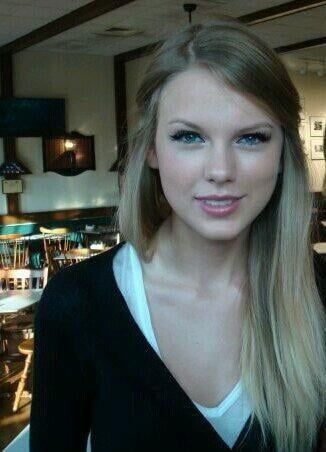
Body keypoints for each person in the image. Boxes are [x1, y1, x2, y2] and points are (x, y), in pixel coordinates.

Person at [30, 17, 325, 452]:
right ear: (151, 149)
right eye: (190, 137)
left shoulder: (318, 291)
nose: (221, 171)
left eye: (251, 139)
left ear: (283, 153)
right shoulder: (77, 305)